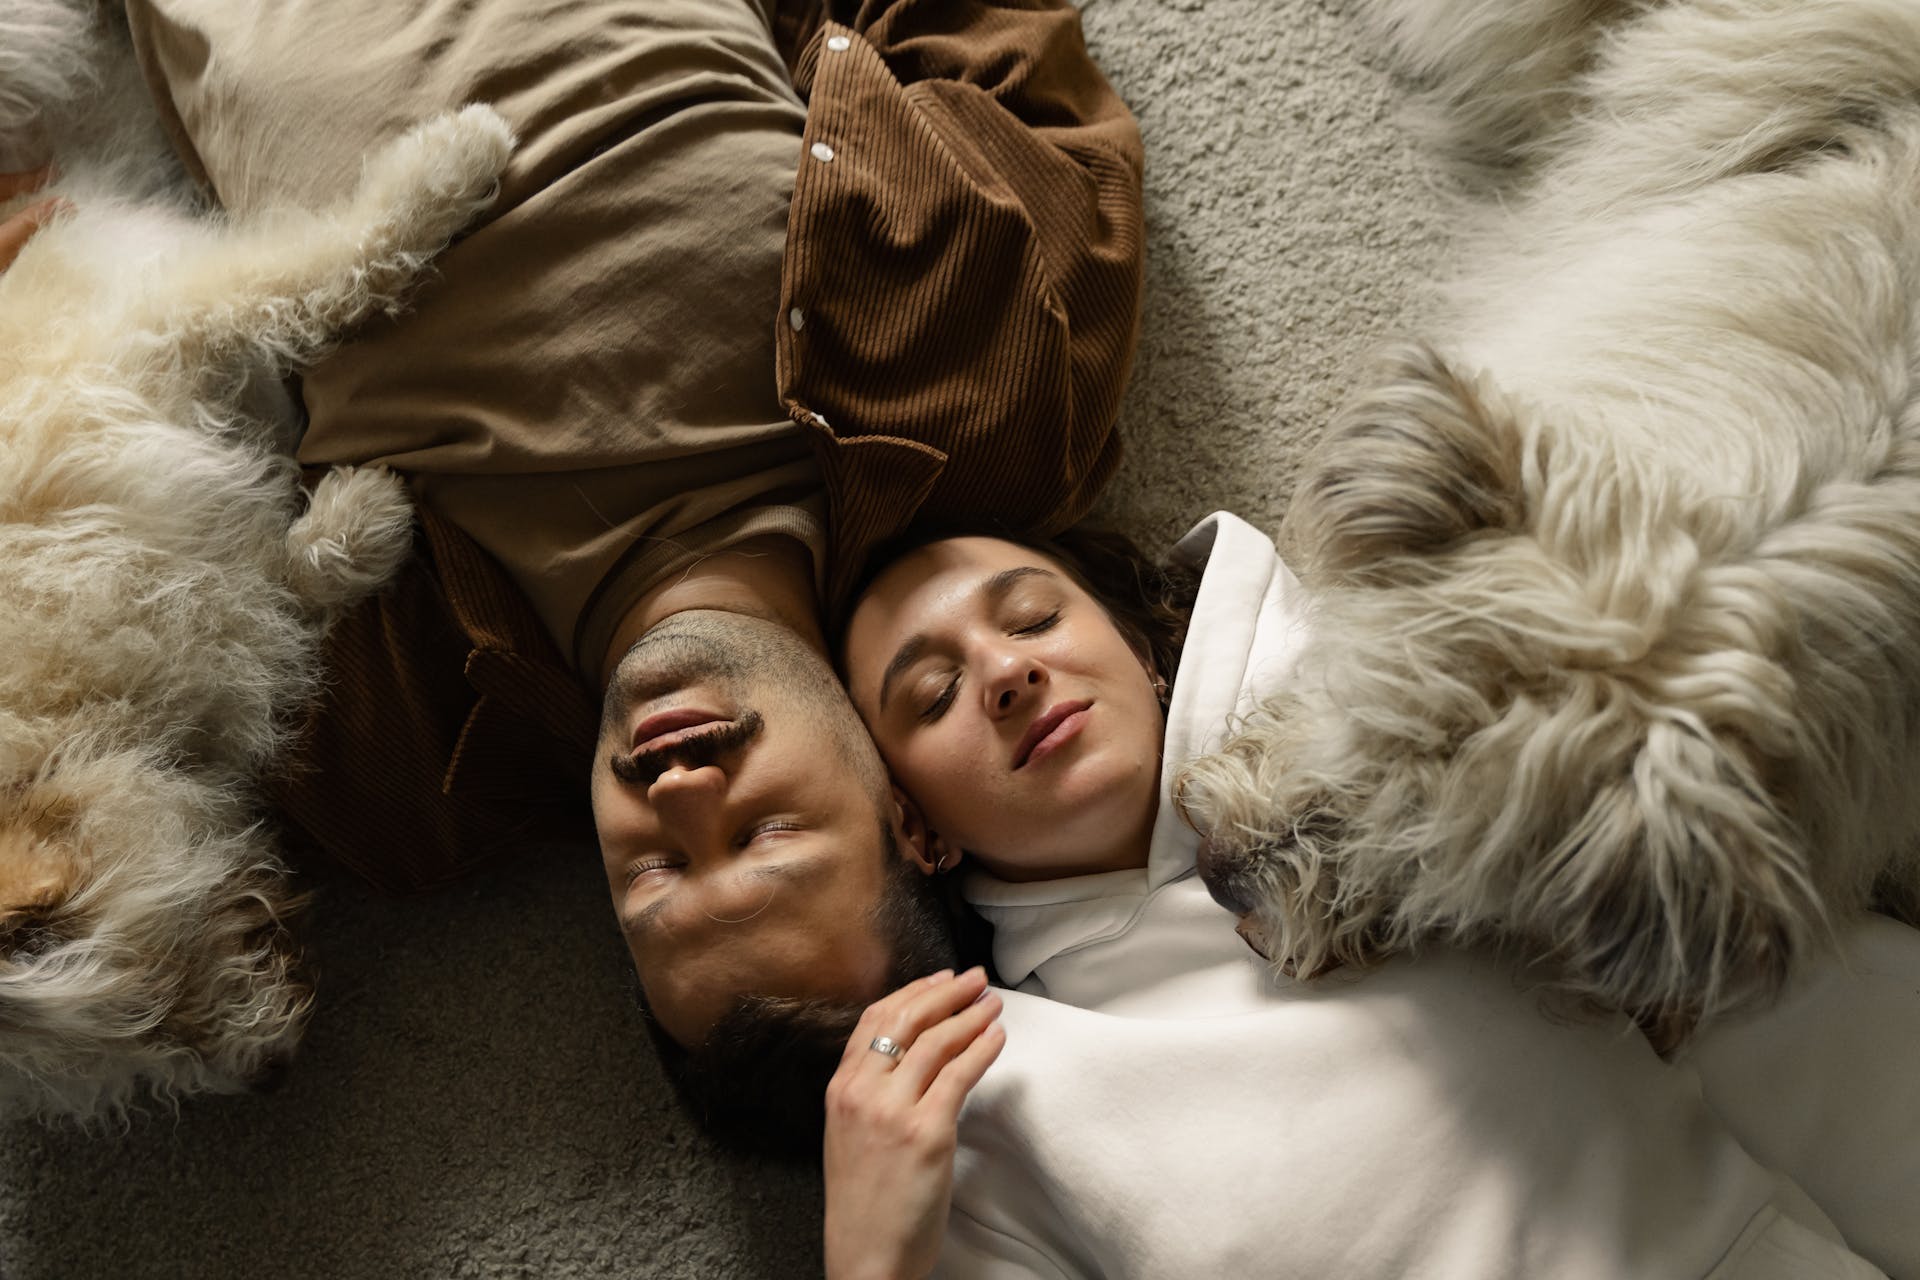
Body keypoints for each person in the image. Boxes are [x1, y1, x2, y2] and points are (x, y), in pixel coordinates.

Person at [109, 0, 1144, 902]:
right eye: (765, 835)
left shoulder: (397, 771)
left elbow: (80, 548)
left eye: (658, 875)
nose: (683, 793)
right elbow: (982, 28)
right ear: (909, 820)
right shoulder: (1003, 381)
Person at [795, 512, 1919, 1276]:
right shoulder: (986, 1091)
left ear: (1141, 648)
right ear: (918, 824)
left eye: (1034, 616)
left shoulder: (1406, 743)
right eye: (935, 691)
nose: (1005, 671)